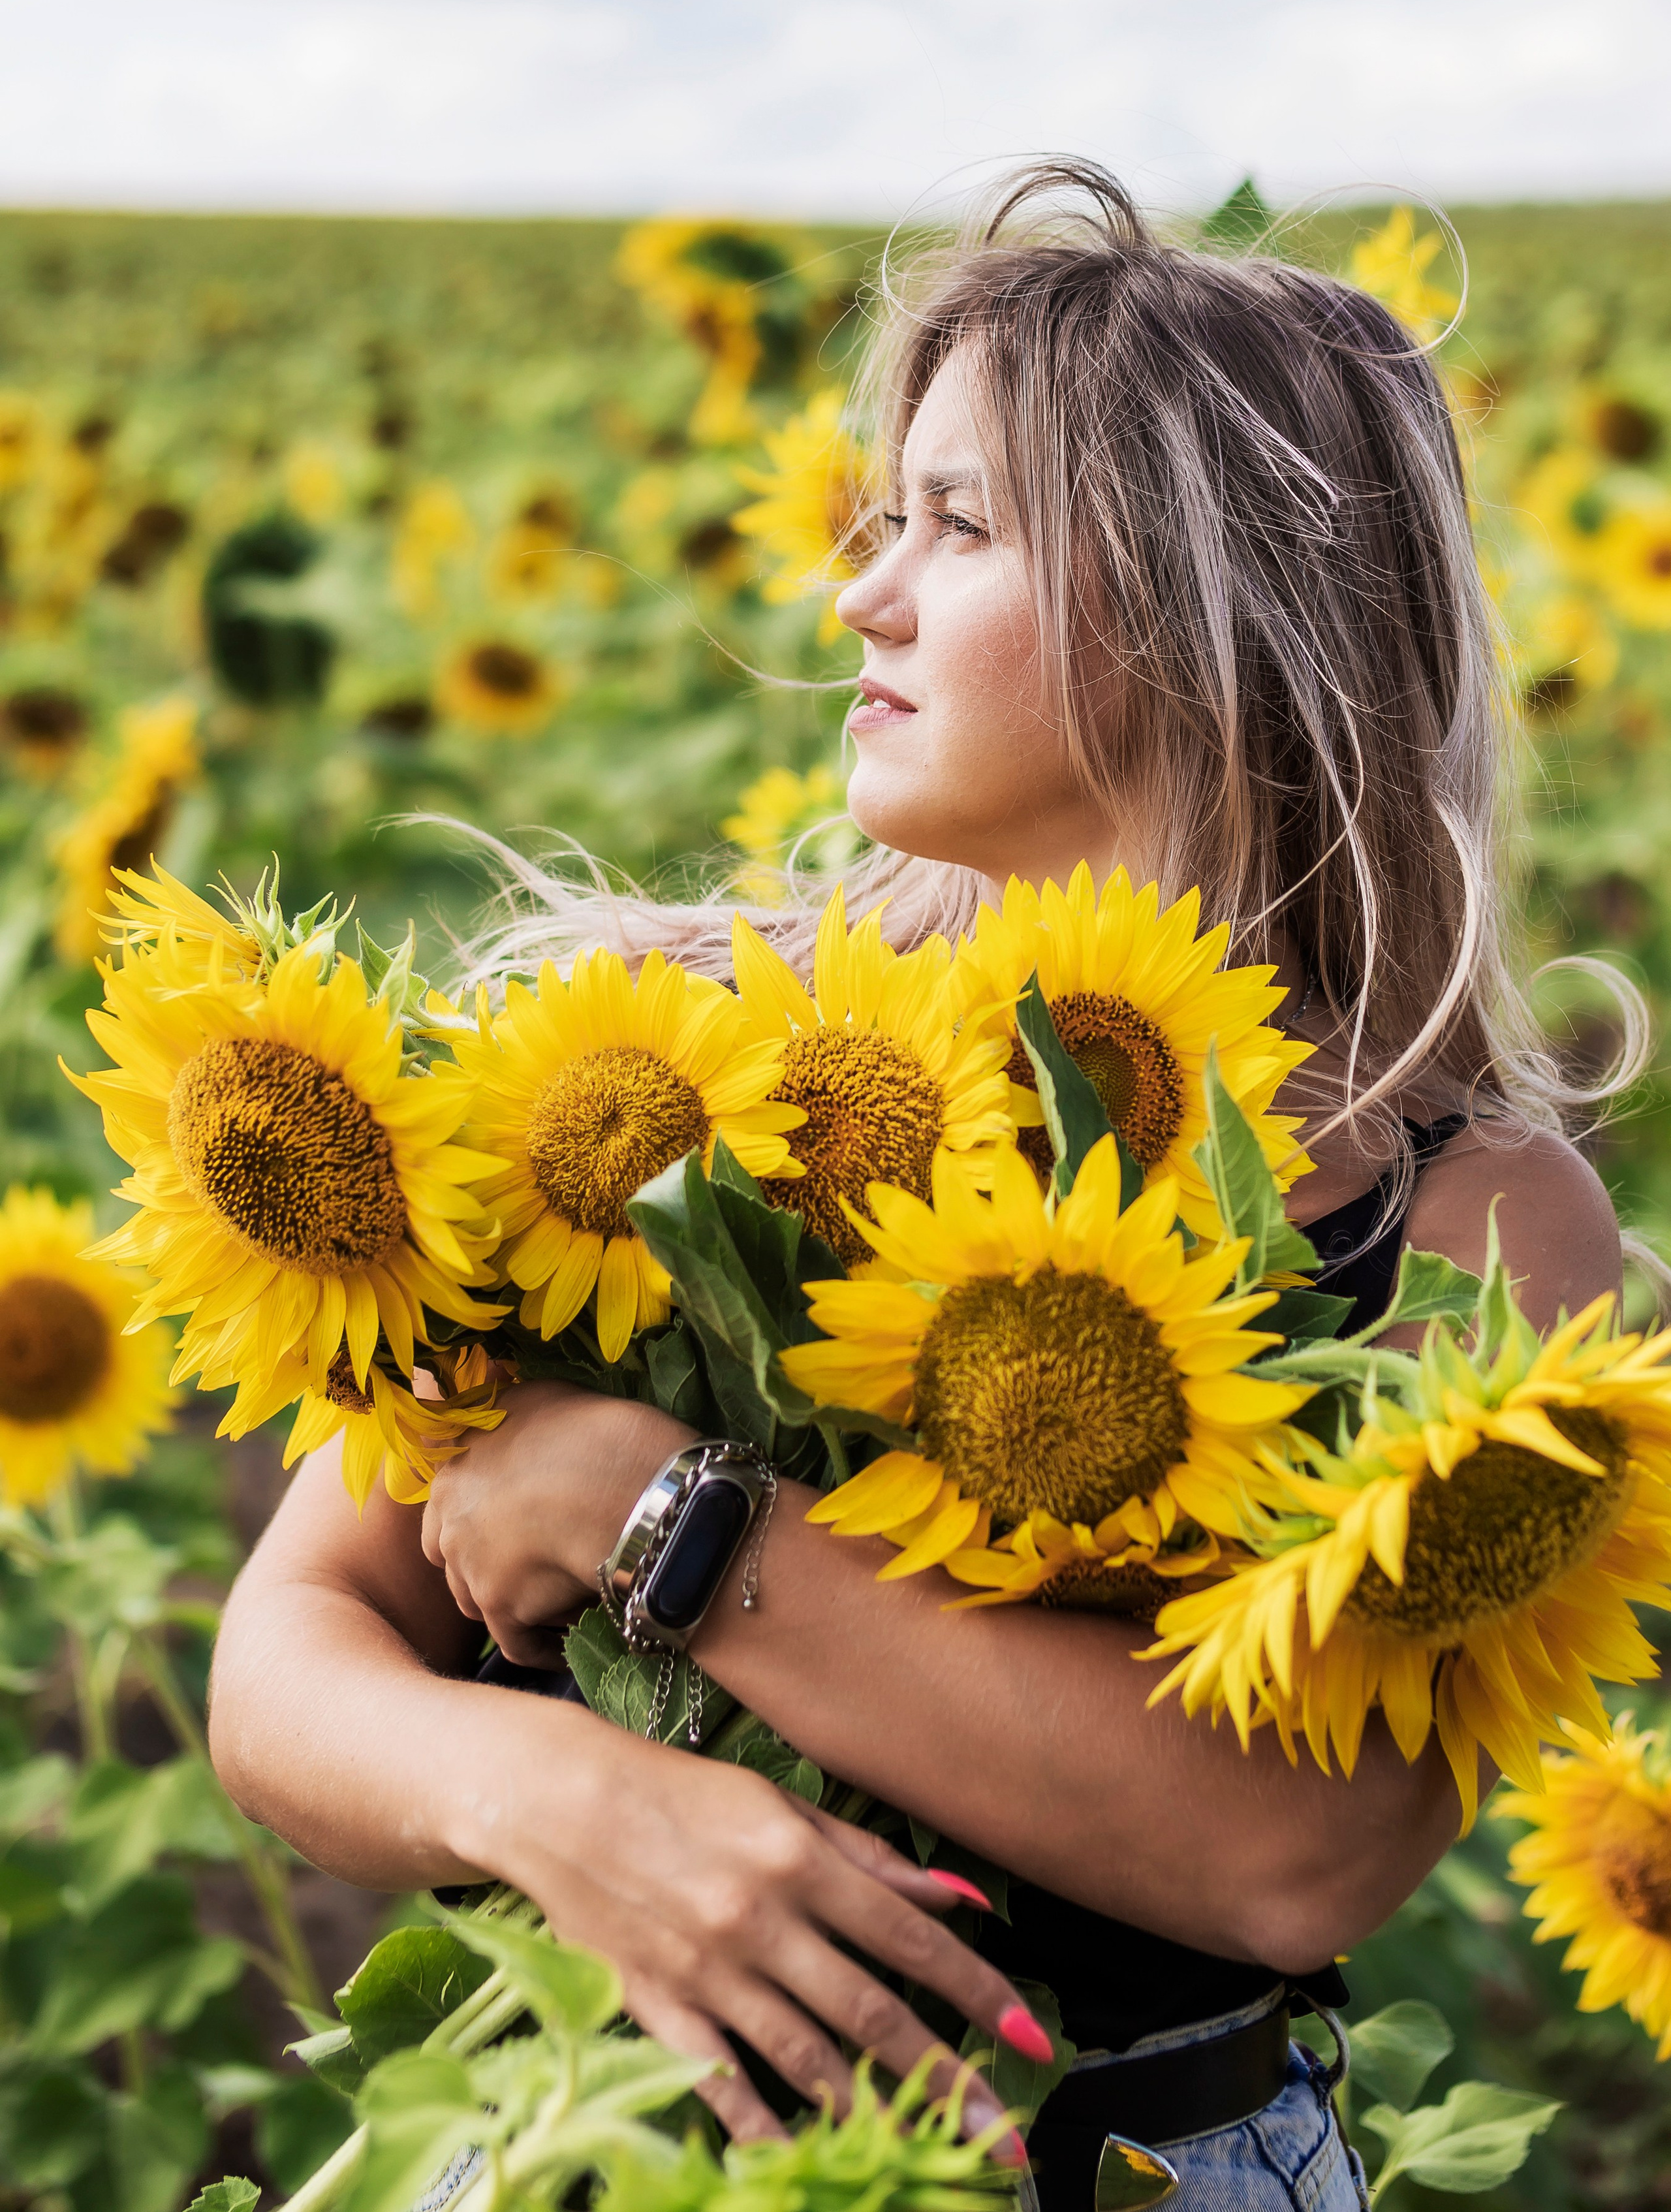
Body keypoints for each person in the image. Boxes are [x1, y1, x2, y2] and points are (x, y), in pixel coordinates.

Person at [210, 163, 1640, 2212]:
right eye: (891, 518)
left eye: (957, 525)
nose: (860, 594)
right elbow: (286, 1664)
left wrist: (660, 1515)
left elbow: (1290, 1850)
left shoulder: (1468, 1213)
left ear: (1202, 595)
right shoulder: (667, 1065)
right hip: (589, 2139)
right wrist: (573, 1799)